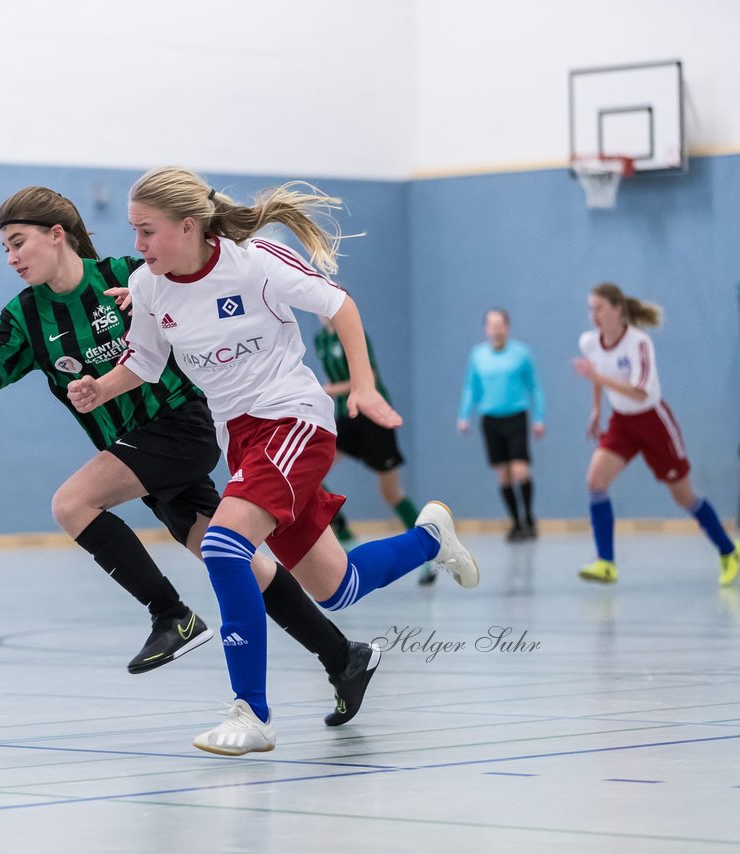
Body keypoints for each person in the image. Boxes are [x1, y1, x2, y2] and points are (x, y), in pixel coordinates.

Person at [0, 186, 383, 724]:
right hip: (134, 454)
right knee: (239, 562)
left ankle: (172, 616)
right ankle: (343, 658)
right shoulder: (25, 317)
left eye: (18, 242)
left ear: (57, 235)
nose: (12, 258)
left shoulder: (133, 272)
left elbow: (199, 281)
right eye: (4, 248)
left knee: (72, 503)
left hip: (179, 425)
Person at [67, 167, 479, 756]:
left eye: (147, 231)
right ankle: (430, 539)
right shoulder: (149, 285)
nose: (137, 245)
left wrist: (361, 385)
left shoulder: (255, 259)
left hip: (293, 419)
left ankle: (252, 712)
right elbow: (146, 363)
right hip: (243, 439)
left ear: (188, 226)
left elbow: (340, 306)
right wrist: (101, 389)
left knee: (223, 544)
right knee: (338, 587)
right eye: (134, 232)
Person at [572, 282, 740, 586]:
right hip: (621, 423)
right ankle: (606, 563)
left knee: (684, 496)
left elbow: (640, 392)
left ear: (616, 309)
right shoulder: (589, 342)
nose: (593, 315)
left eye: (599, 308)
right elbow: (597, 375)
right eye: (590, 309)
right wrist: (596, 409)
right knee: (595, 481)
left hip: (653, 422)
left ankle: (728, 550)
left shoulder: (638, 342)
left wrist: (598, 377)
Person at [314, 320, 437, 585]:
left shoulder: (354, 332)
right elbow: (331, 379)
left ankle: (428, 549)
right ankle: (343, 531)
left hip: (373, 418)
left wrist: (328, 390)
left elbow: (368, 376)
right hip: (346, 418)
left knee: (390, 493)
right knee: (311, 472)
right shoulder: (321, 340)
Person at [457, 308, 546, 541]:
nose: (496, 329)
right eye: (491, 325)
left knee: (520, 470)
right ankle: (516, 523)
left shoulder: (521, 353)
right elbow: (471, 387)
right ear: (486, 329)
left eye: (500, 325)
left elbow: (534, 387)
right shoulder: (478, 355)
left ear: (507, 327)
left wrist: (539, 418)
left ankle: (529, 518)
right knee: (504, 475)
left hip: (516, 416)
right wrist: (464, 415)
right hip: (491, 419)